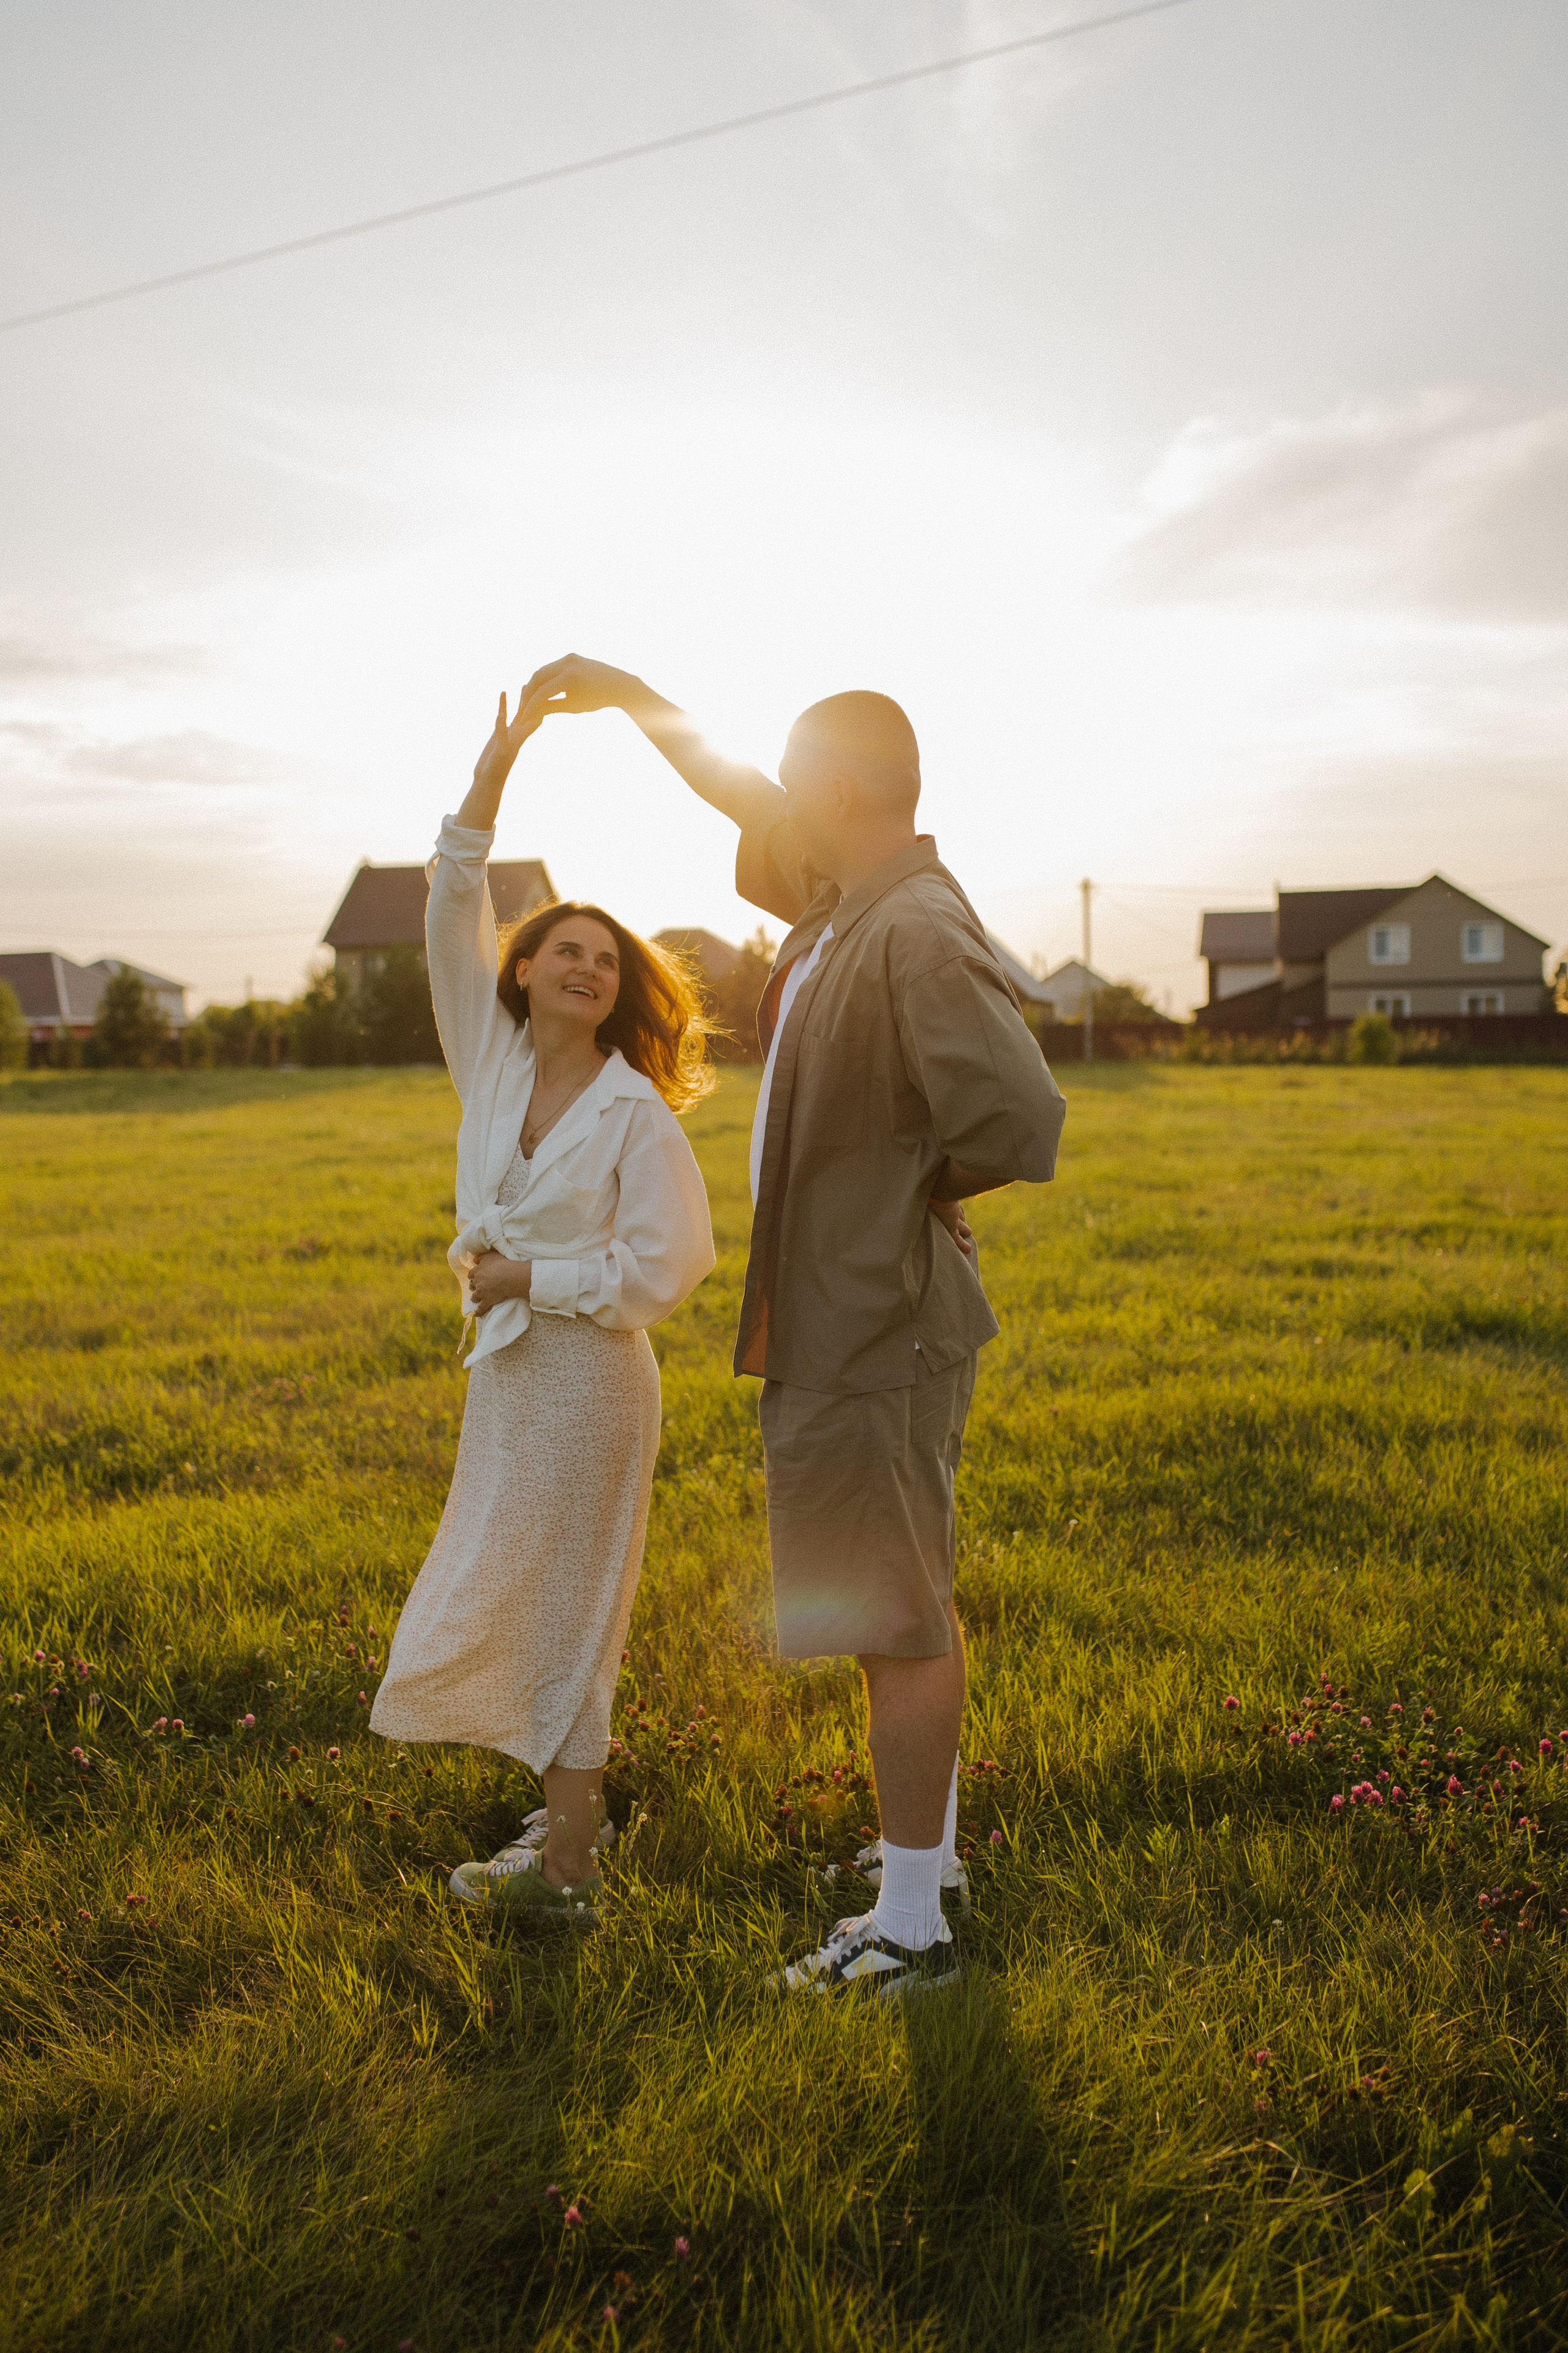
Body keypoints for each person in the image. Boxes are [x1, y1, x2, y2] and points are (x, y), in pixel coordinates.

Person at [514, 654, 1066, 1996]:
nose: (774, 802)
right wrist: (635, 699)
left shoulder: (915, 927)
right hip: (843, 1315)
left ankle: (912, 1929)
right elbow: (731, 787)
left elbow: (1018, 1119)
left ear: (834, 789)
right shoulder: (842, 896)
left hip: (877, 1318)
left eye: (792, 779)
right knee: (891, 1599)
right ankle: (914, 1863)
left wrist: (898, 1201)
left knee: (895, 1617)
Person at [370, 687, 716, 1917]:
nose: (583, 963)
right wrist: (498, 760)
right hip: (511, 1374)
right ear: (521, 971)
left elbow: (668, 1267)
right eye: (563, 946)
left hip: (591, 1375)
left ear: (619, 993)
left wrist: (533, 1275)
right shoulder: (491, 1053)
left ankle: (566, 1874)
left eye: (605, 957)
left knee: (575, 1604)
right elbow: (452, 883)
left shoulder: (631, 1110)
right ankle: (569, 1809)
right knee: (509, 1582)